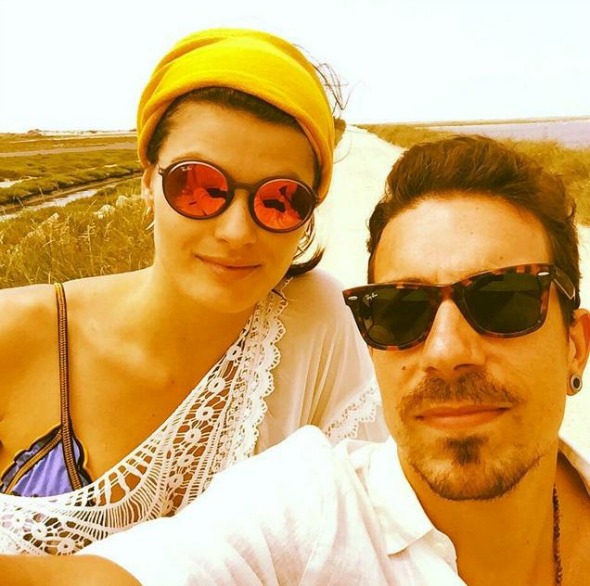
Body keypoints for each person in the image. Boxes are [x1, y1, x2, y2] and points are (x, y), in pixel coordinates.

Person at [3, 134, 589, 585]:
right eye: (399, 311)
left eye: (504, 301)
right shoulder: (308, 512)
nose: (446, 352)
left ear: (576, 343)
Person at [0, 28, 388, 554]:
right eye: (199, 187)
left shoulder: (316, 325)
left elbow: (373, 535)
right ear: (147, 182)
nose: (236, 231)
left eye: (280, 199)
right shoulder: (15, 335)